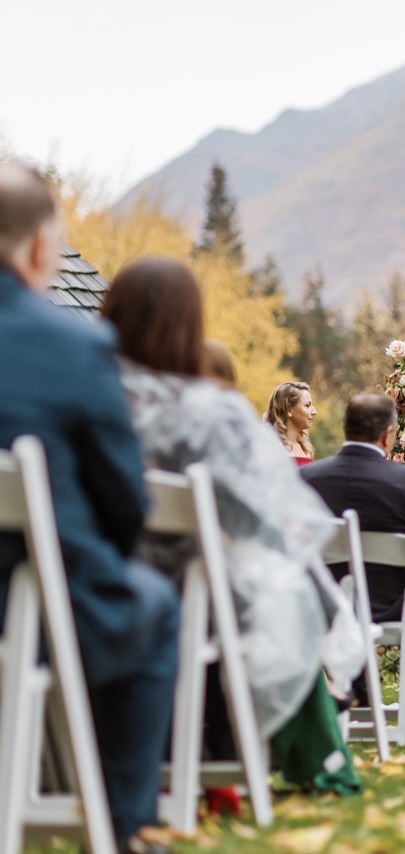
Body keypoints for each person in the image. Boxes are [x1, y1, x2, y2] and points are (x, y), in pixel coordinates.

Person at [101, 256, 364, 795]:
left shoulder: (91, 396)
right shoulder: (208, 414)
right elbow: (258, 516)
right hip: (188, 595)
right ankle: (271, 752)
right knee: (272, 592)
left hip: (80, 578)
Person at [0, 161, 179, 849]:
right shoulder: (76, 346)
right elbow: (125, 500)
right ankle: (119, 823)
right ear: (43, 248)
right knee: (154, 606)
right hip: (44, 606)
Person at [301, 393, 405, 732]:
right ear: (388, 434)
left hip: (327, 607)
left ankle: (361, 696)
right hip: (398, 606)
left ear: (346, 429)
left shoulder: (308, 479)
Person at [266, 381, 317, 464]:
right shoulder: (271, 448)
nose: (314, 411)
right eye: (307, 405)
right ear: (289, 409)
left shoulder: (305, 448)